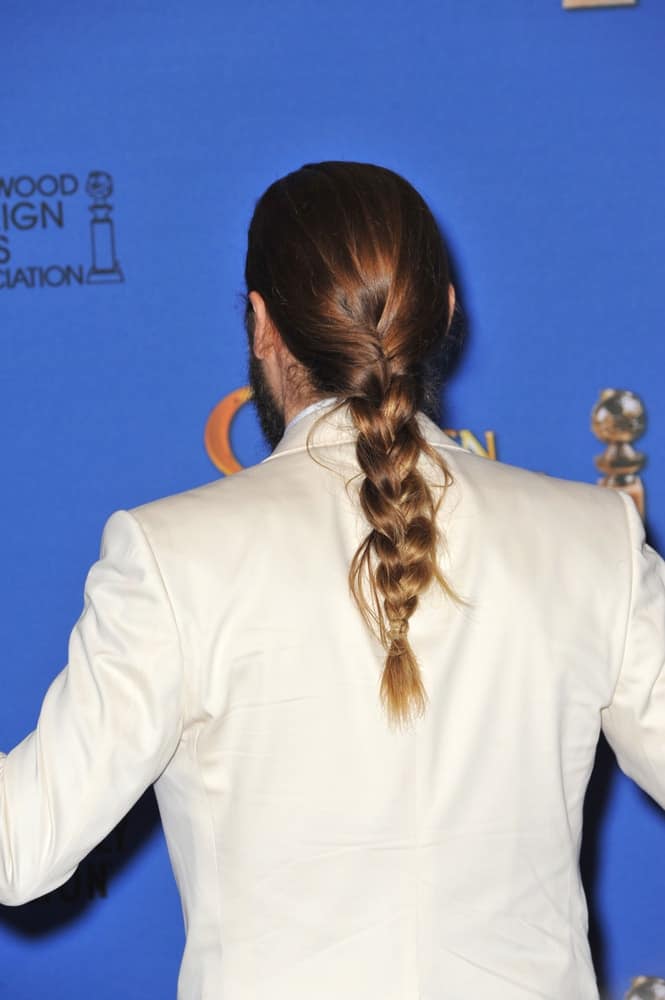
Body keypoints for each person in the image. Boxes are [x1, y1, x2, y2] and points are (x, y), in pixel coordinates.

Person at [0, 160, 663, 999]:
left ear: (262, 324)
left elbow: (20, 848)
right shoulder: (591, 536)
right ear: (445, 313)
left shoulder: (170, 556)